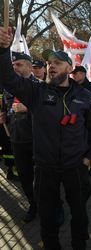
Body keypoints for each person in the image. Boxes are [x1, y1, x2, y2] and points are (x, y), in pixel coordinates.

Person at [0, 26, 91, 250]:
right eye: (49, 63)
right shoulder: (36, 92)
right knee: (47, 217)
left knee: (79, 213)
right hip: (45, 168)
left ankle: (79, 244)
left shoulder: (85, 96)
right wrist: (3, 50)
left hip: (76, 167)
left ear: (69, 67)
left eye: (57, 62)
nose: (51, 66)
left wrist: (89, 158)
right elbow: (8, 79)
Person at [1, 52, 37, 222]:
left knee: (44, 178)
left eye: (19, 64)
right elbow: (7, 108)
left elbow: (51, 113)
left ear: (30, 67)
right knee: (25, 177)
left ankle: (55, 206)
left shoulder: (40, 86)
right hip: (17, 139)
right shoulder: (8, 88)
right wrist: (4, 116)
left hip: (38, 140)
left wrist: (28, 108)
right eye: (13, 65)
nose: (15, 68)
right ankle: (33, 204)